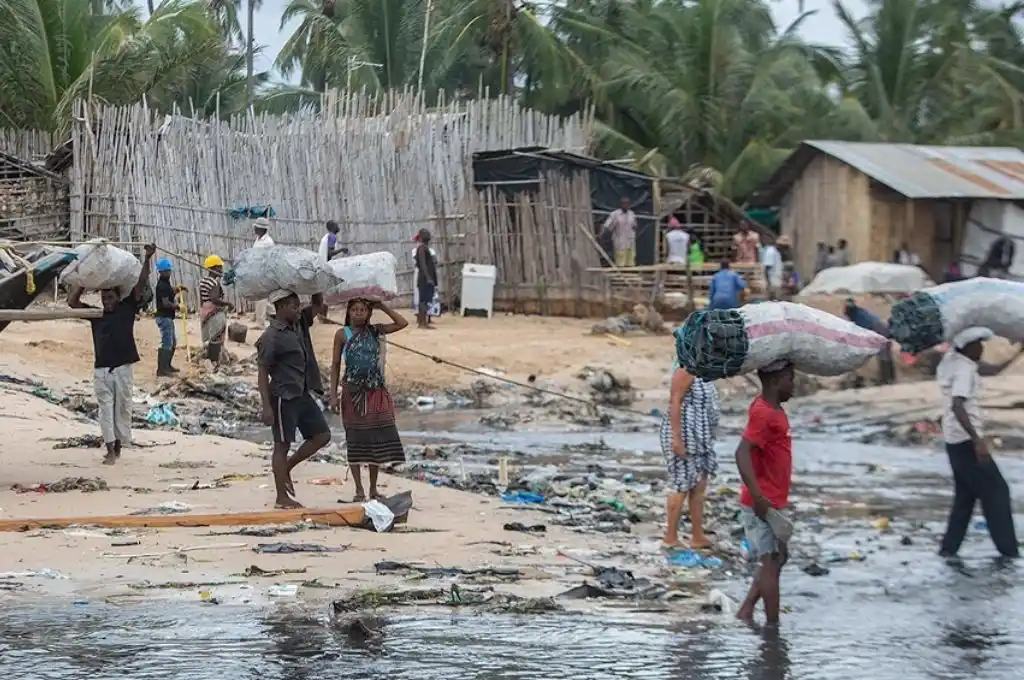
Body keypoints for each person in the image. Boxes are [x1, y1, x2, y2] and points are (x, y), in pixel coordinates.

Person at [936, 327, 1022, 558]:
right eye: (979, 343)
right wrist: (978, 441)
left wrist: (1016, 354)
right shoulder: (964, 370)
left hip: (953, 440)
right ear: (968, 346)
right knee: (997, 492)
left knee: (965, 498)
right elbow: (957, 404)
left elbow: (989, 369)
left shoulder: (953, 361)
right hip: (966, 440)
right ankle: (1009, 553)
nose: (982, 347)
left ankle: (948, 550)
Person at [68, 244, 156, 464]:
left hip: (123, 368)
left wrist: (147, 258)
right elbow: (72, 303)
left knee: (122, 408)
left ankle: (119, 444)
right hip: (102, 370)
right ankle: (110, 448)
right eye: (104, 298)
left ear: (118, 297)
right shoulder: (95, 315)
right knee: (105, 410)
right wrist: (83, 283)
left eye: (110, 298)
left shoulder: (127, 309)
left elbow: (141, 282)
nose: (106, 302)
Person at [256, 291, 332, 509]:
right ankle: (281, 497)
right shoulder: (271, 337)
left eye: (299, 306)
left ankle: (287, 466)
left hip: (301, 392)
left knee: (322, 435)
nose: (298, 310)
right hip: (282, 395)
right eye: (293, 307)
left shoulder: (298, 325)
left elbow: (317, 305)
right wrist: (266, 407)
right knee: (282, 445)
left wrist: (314, 285)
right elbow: (262, 372)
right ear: (280, 308)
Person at [329, 298, 409, 501]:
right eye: (354, 310)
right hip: (351, 393)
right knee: (355, 440)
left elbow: (402, 323)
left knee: (377, 440)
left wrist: (381, 306)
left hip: (375, 392)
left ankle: (373, 489)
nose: (358, 313)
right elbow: (336, 365)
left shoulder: (376, 331)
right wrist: (332, 395)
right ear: (349, 312)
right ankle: (359, 490)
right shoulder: (342, 334)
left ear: (369, 313)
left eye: (363, 310)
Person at [735, 361, 795, 625]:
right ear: (774, 382)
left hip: (773, 498)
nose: (794, 385)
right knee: (770, 562)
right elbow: (742, 452)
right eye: (790, 379)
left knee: (779, 558)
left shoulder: (773, 409)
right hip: (763, 501)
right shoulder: (764, 413)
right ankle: (773, 630)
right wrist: (758, 495)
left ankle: (747, 609)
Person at [660, 362, 720, 549]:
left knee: (699, 485)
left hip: (702, 436)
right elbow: (675, 401)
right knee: (681, 485)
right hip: (686, 435)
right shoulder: (686, 369)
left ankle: (697, 535)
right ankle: (670, 537)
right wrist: (677, 439)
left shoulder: (706, 370)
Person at [844, 298, 894, 385]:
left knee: (883, 355)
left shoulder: (859, 316)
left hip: (880, 330)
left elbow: (862, 330)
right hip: (883, 327)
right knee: (886, 355)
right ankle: (890, 378)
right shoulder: (861, 312)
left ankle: (886, 379)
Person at [198, 255, 232, 365]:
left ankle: (208, 358)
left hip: (205, 310)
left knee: (208, 336)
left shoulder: (203, 281)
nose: (222, 271)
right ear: (215, 268)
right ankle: (214, 361)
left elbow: (202, 299)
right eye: (220, 268)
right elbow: (214, 299)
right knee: (216, 336)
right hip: (214, 312)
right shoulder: (214, 283)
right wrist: (227, 304)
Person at [153, 258, 182, 377]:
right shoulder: (162, 285)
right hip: (164, 317)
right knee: (167, 343)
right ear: (162, 272)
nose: (169, 273)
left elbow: (168, 294)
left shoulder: (165, 284)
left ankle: (167, 365)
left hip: (167, 317)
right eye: (168, 271)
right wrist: (178, 307)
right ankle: (162, 369)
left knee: (172, 342)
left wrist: (176, 290)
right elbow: (165, 303)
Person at [411, 232, 441, 323]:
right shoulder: (421, 249)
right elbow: (423, 264)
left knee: (427, 299)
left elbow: (431, 263)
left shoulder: (425, 248)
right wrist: (428, 277)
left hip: (426, 276)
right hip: (424, 277)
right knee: (423, 299)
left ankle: (424, 320)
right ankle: (422, 322)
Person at [602, 197, 638, 267]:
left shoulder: (631, 214)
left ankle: (630, 275)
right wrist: (602, 234)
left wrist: (635, 226)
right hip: (620, 240)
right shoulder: (615, 214)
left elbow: (635, 225)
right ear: (621, 204)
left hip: (630, 240)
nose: (626, 205)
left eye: (627, 204)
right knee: (620, 260)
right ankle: (621, 275)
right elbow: (607, 225)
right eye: (624, 203)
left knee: (630, 261)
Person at [252, 217, 275, 326]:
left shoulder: (268, 242)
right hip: (257, 270)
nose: (255, 229)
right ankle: (275, 314)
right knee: (263, 297)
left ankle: (260, 322)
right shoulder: (258, 240)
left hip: (264, 271)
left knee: (261, 296)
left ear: (262, 229)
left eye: (256, 227)